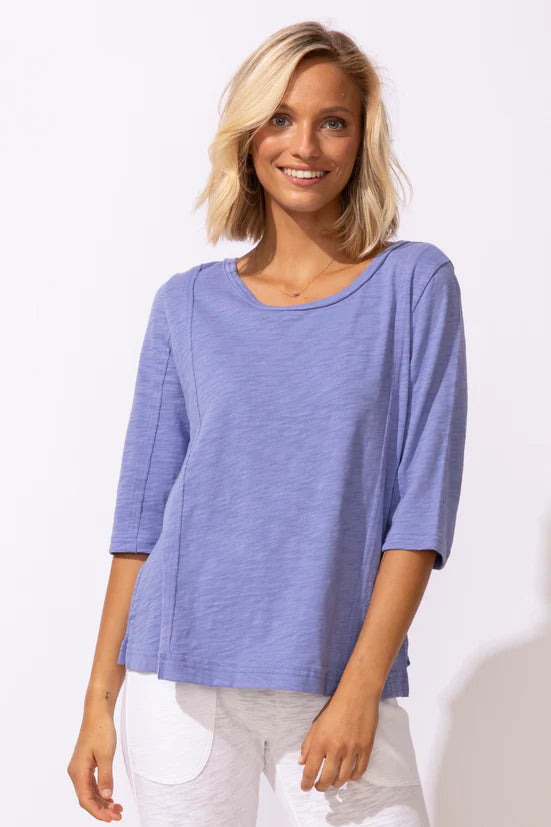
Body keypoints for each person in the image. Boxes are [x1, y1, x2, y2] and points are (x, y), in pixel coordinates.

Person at [67, 20, 468, 827]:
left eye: (333, 121)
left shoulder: (412, 285)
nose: (304, 146)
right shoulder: (186, 303)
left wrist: (360, 689)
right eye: (280, 118)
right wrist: (98, 700)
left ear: (361, 139)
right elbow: (142, 520)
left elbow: (420, 511)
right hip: (177, 688)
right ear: (248, 135)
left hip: (333, 680)